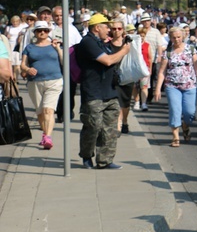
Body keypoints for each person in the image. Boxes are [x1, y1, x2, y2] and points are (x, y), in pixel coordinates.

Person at [76, 14, 131, 169]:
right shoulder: (87, 42)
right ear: (97, 27)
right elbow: (108, 60)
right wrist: (124, 50)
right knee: (93, 127)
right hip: (93, 93)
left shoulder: (102, 43)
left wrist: (122, 45)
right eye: (107, 26)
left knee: (110, 130)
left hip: (110, 92)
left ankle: (105, 160)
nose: (109, 30)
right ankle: (86, 156)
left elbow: (113, 59)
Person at [154, 26, 197, 147]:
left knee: (189, 112)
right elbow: (162, 72)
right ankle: (175, 137)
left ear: (183, 36)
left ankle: (185, 125)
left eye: (179, 37)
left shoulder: (191, 49)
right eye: (174, 37)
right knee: (175, 110)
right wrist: (158, 88)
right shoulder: (168, 52)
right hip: (172, 86)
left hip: (190, 86)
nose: (177, 40)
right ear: (170, 38)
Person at [21, 20, 64, 149]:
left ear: (48, 32)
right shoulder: (29, 47)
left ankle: (48, 137)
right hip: (35, 82)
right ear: (35, 32)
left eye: (45, 31)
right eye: (39, 30)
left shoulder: (54, 45)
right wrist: (28, 69)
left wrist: (58, 48)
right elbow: (22, 64)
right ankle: (45, 134)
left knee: (48, 110)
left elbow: (64, 61)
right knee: (40, 112)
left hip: (54, 81)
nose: (42, 33)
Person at [107, 21, 135, 135]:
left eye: (119, 28)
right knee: (117, 101)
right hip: (113, 76)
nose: (116, 31)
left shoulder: (128, 43)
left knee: (126, 102)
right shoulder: (107, 44)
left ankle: (125, 121)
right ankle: (118, 124)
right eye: (114, 29)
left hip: (127, 75)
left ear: (123, 29)